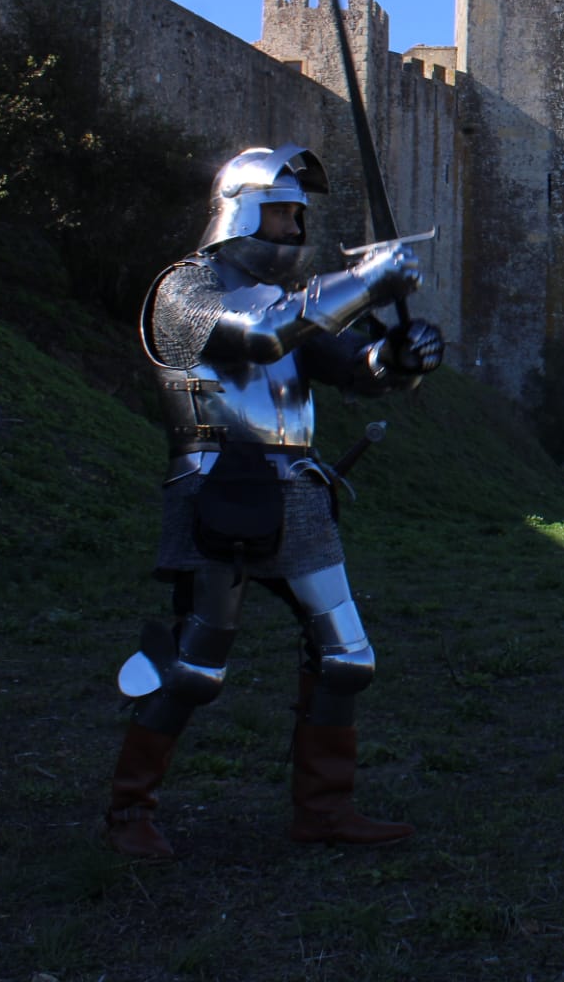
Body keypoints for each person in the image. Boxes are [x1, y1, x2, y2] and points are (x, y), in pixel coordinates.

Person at [102, 144, 443, 859]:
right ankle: (130, 811)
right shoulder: (184, 290)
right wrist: (365, 282)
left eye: (298, 215)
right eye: (283, 213)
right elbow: (258, 339)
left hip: (298, 491)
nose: (295, 227)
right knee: (196, 668)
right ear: (243, 211)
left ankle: (324, 811)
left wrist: (400, 358)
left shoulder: (288, 305)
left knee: (348, 659)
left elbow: (356, 369)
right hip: (218, 486)